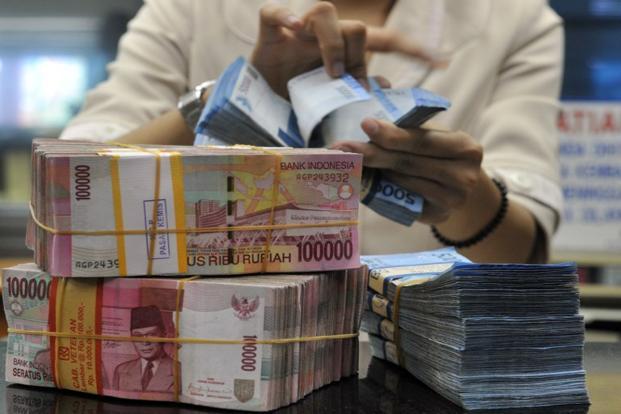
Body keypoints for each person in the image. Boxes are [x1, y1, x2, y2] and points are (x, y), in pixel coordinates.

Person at [60, 0, 564, 264]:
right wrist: (233, 99)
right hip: (215, 343)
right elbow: (69, 189)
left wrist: (465, 198)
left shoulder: (518, 19)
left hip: (420, 359)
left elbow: (521, 255)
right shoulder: (189, 7)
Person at [113, 305, 176, 392]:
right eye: (138, 336)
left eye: (151, 334)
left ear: (164, 335)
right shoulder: (121, 370)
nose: (145, 342)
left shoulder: (179, 370)